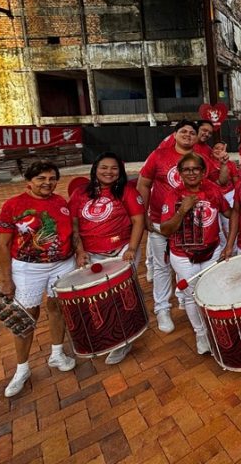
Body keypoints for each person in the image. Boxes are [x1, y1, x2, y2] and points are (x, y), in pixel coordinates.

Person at [0, 161, 77, 397]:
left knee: (57, 308)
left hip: (62, 263)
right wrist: (6, 280)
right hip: (28, 269)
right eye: (41, 178)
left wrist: (78, 251)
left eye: (52, 178)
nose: (47, 183)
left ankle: (57, 353)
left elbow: (72, 231)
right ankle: (22, 369)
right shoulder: (13, 205)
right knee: (25, 317)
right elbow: (3, 244)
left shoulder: (60, 202)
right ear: (28, 181)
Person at [68, 152, 145, 365]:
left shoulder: (127, 191)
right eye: (104, 167)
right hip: (91, 254)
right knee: (101, 298)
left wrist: (132, 248)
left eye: (114, 168)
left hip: (122, 251)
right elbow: (74, 226)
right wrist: (80, 251)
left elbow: (138, 220)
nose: (108, 172)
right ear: (95, 169)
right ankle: (108, 334)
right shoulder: (79, 193)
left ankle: (124, 340)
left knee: (121, 296)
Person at [159, 154, 231, 355]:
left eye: (195, 169)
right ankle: (201, 334)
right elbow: (165, 229)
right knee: (191, 295)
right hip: (183, 256)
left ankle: (217, 329)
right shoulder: (173, 195)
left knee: (214, 291)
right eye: (187, 170)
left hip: (212, 251)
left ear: (203, 172)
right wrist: (182, 210)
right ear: (180, 173)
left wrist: (230, 244)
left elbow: (229, 213)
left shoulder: (213, 190)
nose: (191, 173)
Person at [136, 119, 198, 334]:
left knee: (186, 264)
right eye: (183, 131)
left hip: (191, 223)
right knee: (162, 267)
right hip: (159, 222)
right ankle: (162, 308)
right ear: (174, 134)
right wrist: (142, 214)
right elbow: (143, 183)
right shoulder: (159, 155)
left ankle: (185, 300)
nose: (188, 135)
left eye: (192, 132)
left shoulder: (201, 157)